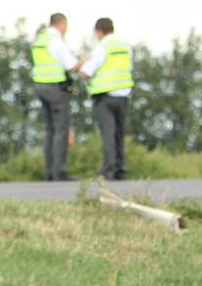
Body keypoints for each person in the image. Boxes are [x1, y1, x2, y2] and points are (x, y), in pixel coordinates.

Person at [31, 13, 83, 181]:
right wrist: (85, 59)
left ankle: (49, 172)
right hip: (55, 88)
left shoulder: (40, 40)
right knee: (61, 130)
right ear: (62, 24)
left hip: (40, 86)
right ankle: (58, 172)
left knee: (49, 130)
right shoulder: (56, 41)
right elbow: (72, 66)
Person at [80, 18, 134, 180]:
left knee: (108, 133)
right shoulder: (126, 46)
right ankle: (121, 168)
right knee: (119, 133)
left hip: (105, 97)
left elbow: (86, 72)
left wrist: (83, 64)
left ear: (99, 31)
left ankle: (108, 168)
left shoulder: (101, 48)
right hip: (123, 95)